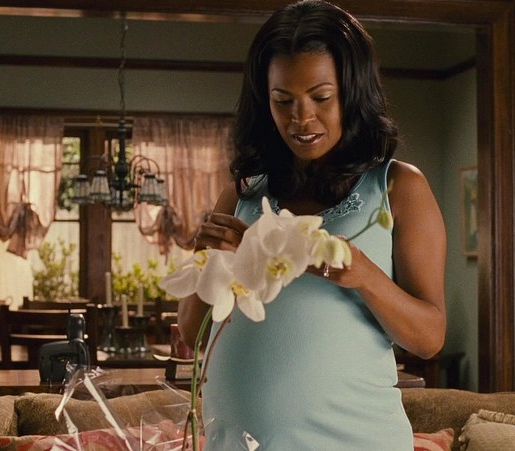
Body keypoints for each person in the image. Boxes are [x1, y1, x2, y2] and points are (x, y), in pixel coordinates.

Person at [177, 0, 447, 449]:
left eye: (321, 98)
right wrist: (211, 259)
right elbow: (192, 333)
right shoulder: (243, 194)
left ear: (352, 93)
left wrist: (365, 277)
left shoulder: (398, 187)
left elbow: (430, 338)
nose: (301, 118)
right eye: (283, 101)